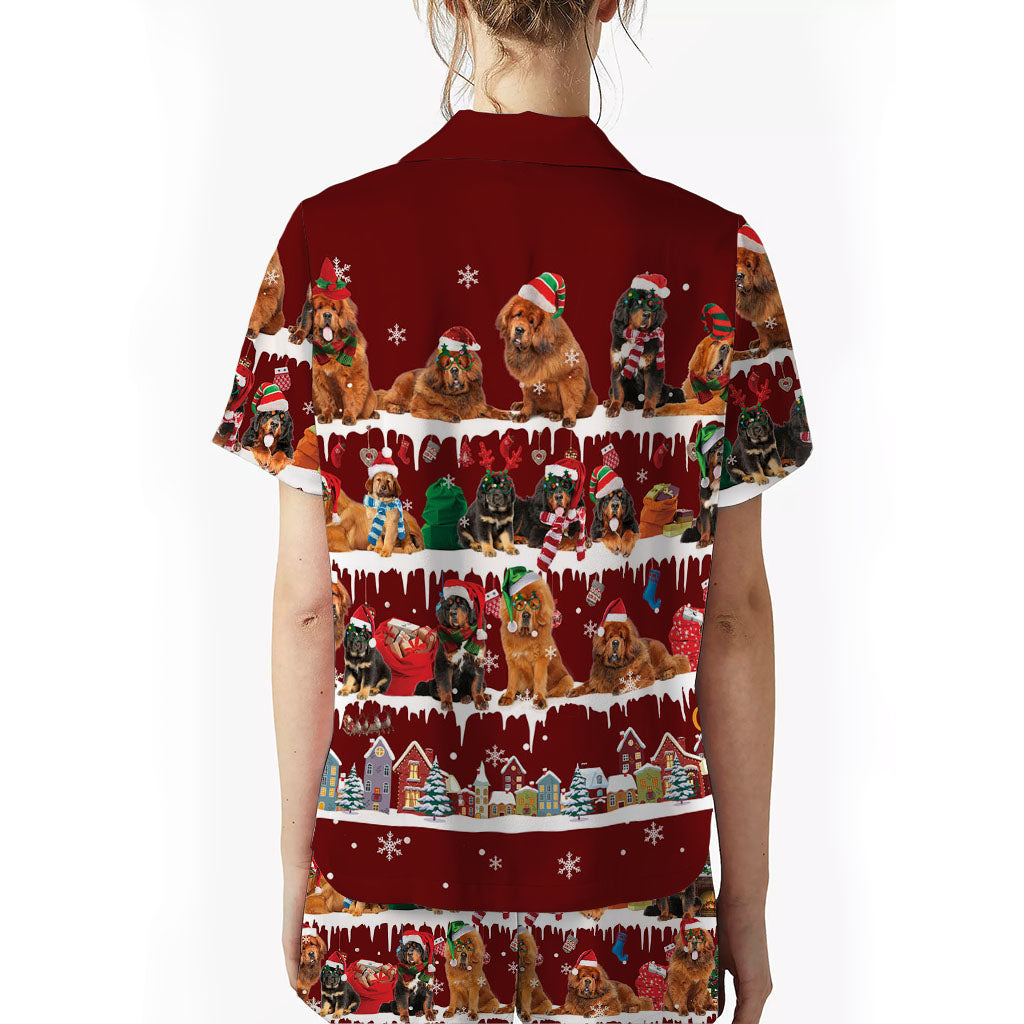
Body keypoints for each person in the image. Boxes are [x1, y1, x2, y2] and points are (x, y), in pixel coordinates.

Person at [211, 3, 812, 1022]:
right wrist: (746, 907)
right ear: (611, 2)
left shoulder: (325, 243)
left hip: (389, 897)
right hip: (635, 911)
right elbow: (734, 617)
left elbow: (309, 608)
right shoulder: (722, 259)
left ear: (449, 3)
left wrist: (295, 865)